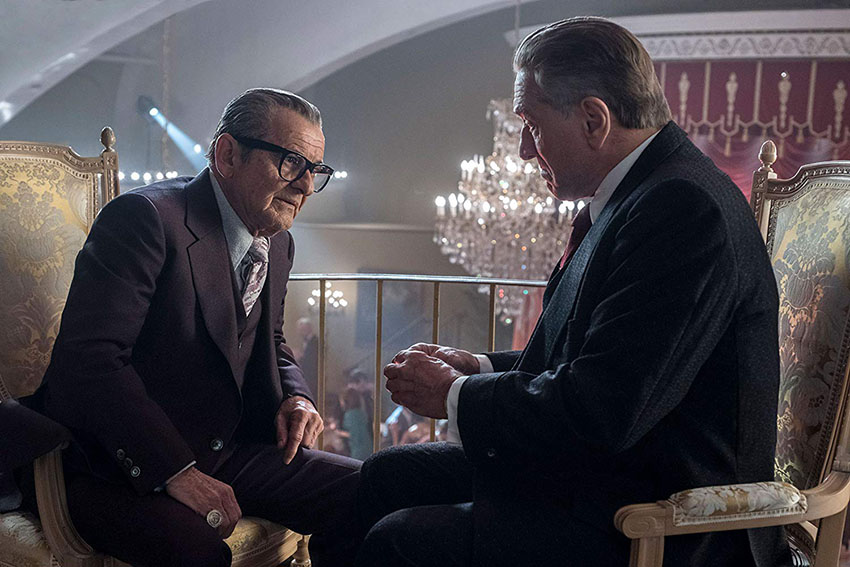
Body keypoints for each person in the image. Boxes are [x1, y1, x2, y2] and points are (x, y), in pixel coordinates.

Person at [356, 17, 791, 567]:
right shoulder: (643, 193)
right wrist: (479, 368)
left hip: (663, 519)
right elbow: (597, 359)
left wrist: (452, 394)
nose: (522, 150)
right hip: (610, 477)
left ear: (593, 119)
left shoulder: (682, 207)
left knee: (398, 539)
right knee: (387, 475)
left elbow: (604, 410)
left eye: (531, 124)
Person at [35, 88, 361, 567]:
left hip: (226, 451)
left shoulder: (279, 243)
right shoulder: (143, 218)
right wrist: (175, 471)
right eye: (292, 163)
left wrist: (298, 397)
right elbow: (91, 361)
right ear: (228, 155)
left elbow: (271, 340)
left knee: (371, 489)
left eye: (316, 170)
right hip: (112, 463)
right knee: (198, 552)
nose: (306, 187)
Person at [296, 317, 319, 396]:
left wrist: (300, 356)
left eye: (302, 330)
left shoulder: (315, 341)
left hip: (312, 375)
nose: (300, 332)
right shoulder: (308, 341)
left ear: (308, 328)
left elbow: (311, 360)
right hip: (307, 374)